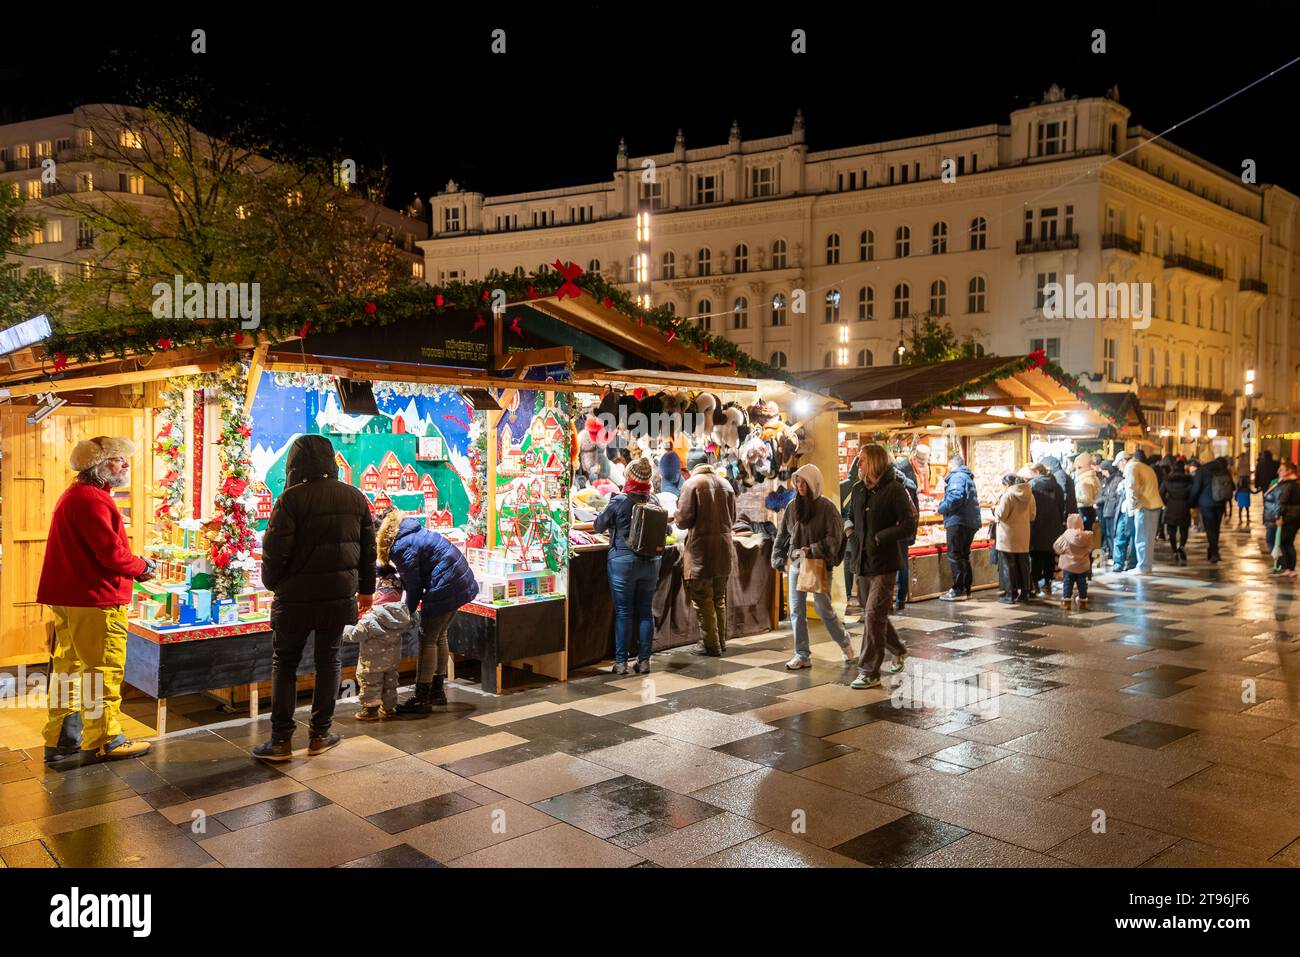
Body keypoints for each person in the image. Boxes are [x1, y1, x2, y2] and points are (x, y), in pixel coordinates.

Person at [255, 435, 376, 761]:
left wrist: (271, 583)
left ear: (294, 463)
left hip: (294, 598)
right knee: (329, 661)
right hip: (337, 597)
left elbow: (274, 551)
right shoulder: (354, 497)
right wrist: (366, 590)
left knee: (285, 664)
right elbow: (368, 551)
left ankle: (281, 741)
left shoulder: (290, 499)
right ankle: (320, 734)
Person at [38, 436, 158, 763]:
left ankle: (62, 737)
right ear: (99, 466)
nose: (125, 464)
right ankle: (105, 738)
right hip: (95, 598)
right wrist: (143, 566)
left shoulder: (74, 494)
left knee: (68, 667)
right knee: (102, 669)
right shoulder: (93, 499)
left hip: (70, 596)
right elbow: (111, 554)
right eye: (118, 459)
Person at [380, 509, 480, 710]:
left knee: (427, 639)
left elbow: (414, 587)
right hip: (460, 581)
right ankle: (436, 692)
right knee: (439, 635)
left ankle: (421, 697)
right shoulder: (413, 533)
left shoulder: (400, 546)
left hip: (446, 585)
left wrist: (406, 614)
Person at [847, 444, 916, 689]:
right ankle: (898, 649)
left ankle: (869, 671)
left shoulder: (895, 490)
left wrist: (881, 536)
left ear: (875, 462)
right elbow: (850, 517)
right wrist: (850, 533)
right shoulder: (857, 490)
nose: (859, 464)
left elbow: (909, 525)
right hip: (862, 562)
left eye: (863, 459)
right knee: (874, 617)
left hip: (885, 563)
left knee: (873, 615)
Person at [773, 464, 853, 669]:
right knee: (796, 609)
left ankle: (844, 641)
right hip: (797, 561)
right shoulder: (793, 507)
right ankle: (802, 654)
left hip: (819, 564)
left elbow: (835, 539)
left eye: (805, 482)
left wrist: (813, 549)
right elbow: (783, 534)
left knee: (823, 609)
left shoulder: (827, 508)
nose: (800, 485)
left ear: (814, 483)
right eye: (798, 481)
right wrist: (779, 558)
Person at [593, 457, 661, 674]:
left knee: (623, 612)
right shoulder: (655, 501)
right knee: (645, 611)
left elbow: (598, 525)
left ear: (630, 476)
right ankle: (644, 661)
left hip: (623, 562)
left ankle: (621, 663)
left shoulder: (619, 500)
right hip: (651, 563)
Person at [676, 459, 736, 656]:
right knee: (719, 598)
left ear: (691, 467)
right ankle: (720, 642)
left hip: (701, 551)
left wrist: (675, 513)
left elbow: (683, 521)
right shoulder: (726, 484)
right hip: (723, 550)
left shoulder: (692, 484)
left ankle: (710, 645)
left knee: (703, 598)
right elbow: (733, 518)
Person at [343, 565, 411, 720]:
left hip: (371, 662)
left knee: (370, 683)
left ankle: (370, 710)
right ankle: (389, 708)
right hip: (392, 661)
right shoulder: (403, 616)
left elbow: (355, 634)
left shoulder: (371, 618)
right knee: (390, 683)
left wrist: (342, 628)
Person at [936, 453, 981, 601]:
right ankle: (966, 589)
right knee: (963, 555)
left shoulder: (957, 477)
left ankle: (958, 590)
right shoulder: (966, 476)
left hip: (958, 521)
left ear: (951, 465)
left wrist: (940, 508)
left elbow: (955, 498)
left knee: (955, 555)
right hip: (968, 521)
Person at [994, 472, 1035, 603]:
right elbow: (1032, 516)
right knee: (1023, 565)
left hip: (1007, 536)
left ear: (1007, 484)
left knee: (1008, 565)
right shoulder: (1030, 495)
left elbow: (1002, 515)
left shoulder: (1008, 496)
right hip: (1023, 535)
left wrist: (995, 508)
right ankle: (1025, 594)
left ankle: (1009, 595)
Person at [1025, 464, 1064, 596]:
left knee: (1036, 555)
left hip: (1037, 525)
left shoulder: (1032, 485)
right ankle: (1048, 582)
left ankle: (1035, 583)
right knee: (1050, 555)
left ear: (1036, 471)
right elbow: (1062, 506)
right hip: (1054, 525)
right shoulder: (1056, 486)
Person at [1125, 449, 1164, 574]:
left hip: (1145, 506)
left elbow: (1132, 487)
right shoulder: (1147, 468)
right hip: (1155, 505)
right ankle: (1146, 566)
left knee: (1141, 538)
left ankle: (1143, 567)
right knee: (1149, 539)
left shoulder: (1132, 467)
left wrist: (1132, 507)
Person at [1189, 455, 1232, 563]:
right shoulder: (1224, 471)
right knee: (1216, 528)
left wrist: (1191, 503)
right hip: (1220, 502)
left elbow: (1196, 488)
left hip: (1206, 503)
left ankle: (1214, 552)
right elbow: (1232, 486)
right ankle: (1213, 549)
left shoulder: (1202, 471)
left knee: (1209, 528)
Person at [892, 461, 920, 611]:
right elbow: (916, 510)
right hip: (905, 529)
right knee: (903, 563)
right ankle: (901, 599)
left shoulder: (890, 485)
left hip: (892, 529)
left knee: (889, 564)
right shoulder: (909, 484)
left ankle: (889, 597)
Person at [1054, 513, 1094, 610]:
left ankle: (1066, 602)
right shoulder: (1086, 537)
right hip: (1082, 566)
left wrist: (1062, 552)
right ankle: (1082, 601)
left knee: (1067, 583)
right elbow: (1091, 548)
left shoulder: (1065, 536)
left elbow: (1056, 546)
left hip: (1068, 566)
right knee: (1082, 583)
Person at [1159, 459, 1194, 563]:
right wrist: (1189, 503)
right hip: (1184, 507)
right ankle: (1182, 546)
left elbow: (1161, 493)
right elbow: (1193, 494)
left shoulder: (1167, 480)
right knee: (1184, 530)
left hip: (1171, 506)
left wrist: (1166, 503)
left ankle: (1174, 550)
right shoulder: (1189, 480)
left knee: (1171, 531)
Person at [1273, 460, 1300, 578]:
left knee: (1284, 542)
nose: (1278, 471)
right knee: (1288, 543)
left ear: (1289, 471)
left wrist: (1279, 517)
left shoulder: (1288, 484)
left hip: (1289, 517)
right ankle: (1290, 568)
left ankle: (1287, 568)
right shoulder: (1295, 483)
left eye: (1281, 470)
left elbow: (1282, 503)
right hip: (1295, 517)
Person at [1097, 459, 1122, 560]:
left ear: (1107, 469)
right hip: (1107, 510)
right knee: (1108, 534)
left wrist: (1097, 501)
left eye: (1103, 470)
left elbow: (1111, 496)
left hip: (1113, 511)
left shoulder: (1117, 480)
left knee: (1112, 535)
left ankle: (1115, 556)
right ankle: (1112, 554)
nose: (1102, 473)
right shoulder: (1107, 480)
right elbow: (1104, 494)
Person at [1073, 452, 1101, 531]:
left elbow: (1087, 499)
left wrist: (1074, 498)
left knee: (1085, 532)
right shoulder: (1093, 478)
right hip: (1089, 510)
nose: (1076, 470)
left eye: (1078, 468)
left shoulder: (1085, 480)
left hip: (1084, 509)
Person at [1264, 470, 1285, 572]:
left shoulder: (1275, 492)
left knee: (1271, 541)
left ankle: (1279, 562)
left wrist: (1277, 517)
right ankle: (1279, 562)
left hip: (1273, 519)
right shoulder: (1273, 491)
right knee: (1272, 541)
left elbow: (1276, 505)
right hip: (1270, 519)